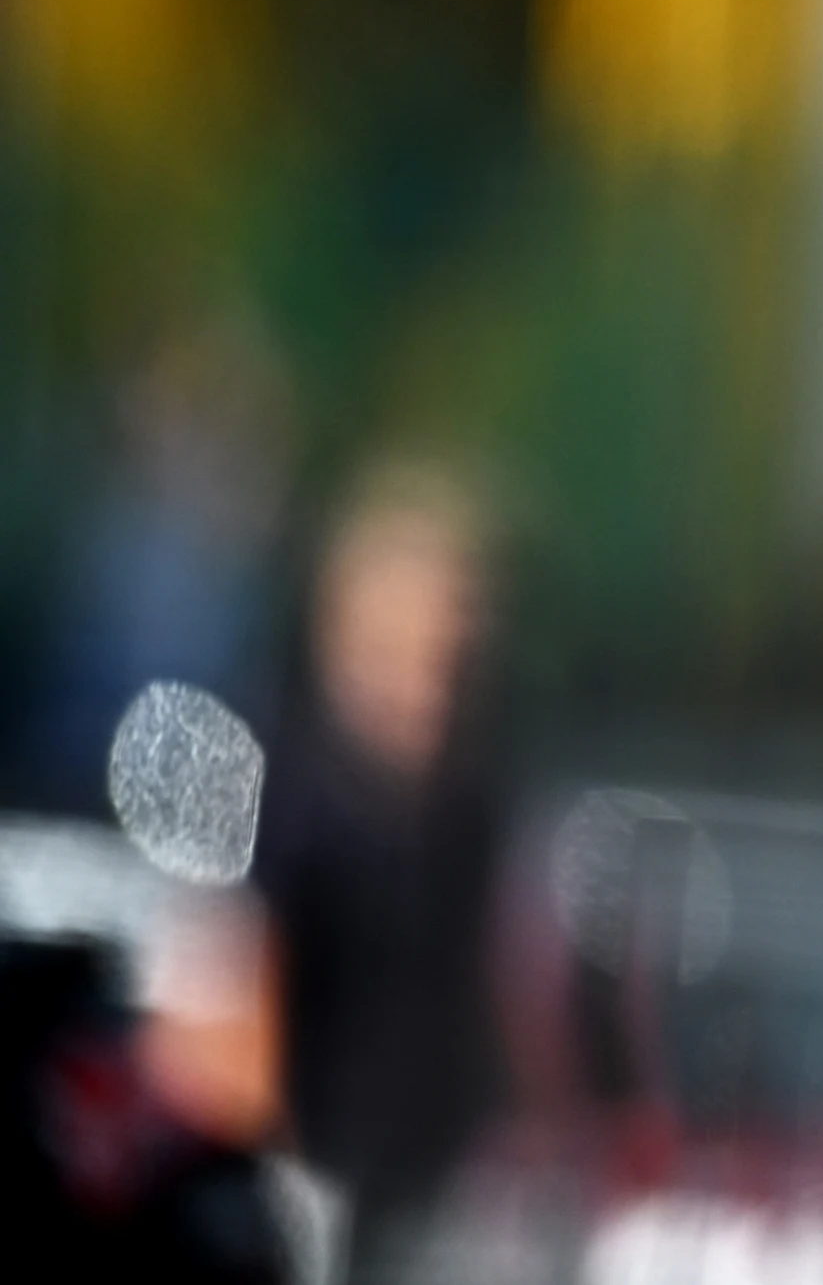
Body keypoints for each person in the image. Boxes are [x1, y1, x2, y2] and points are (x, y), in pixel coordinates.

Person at [253, 458, 507, 1278]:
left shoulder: (466, 804)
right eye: (403, 653)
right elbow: (239, 1008)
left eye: (450, 656)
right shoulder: (292, 803)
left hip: (432, 1180)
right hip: (312, 1183)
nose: (430, 686)